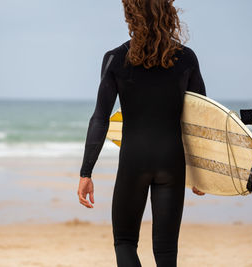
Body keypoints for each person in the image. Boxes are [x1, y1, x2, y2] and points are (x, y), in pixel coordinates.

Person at [78, 0, 206, 266]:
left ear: (131, 15)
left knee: (124, 242)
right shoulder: (187, 58)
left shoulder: (115, 58)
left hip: (133, 162)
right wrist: (200, 173)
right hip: (172, 163)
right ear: (168, 13)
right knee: (167, 251)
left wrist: (86, 173)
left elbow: (100, 118)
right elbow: (200, 121)